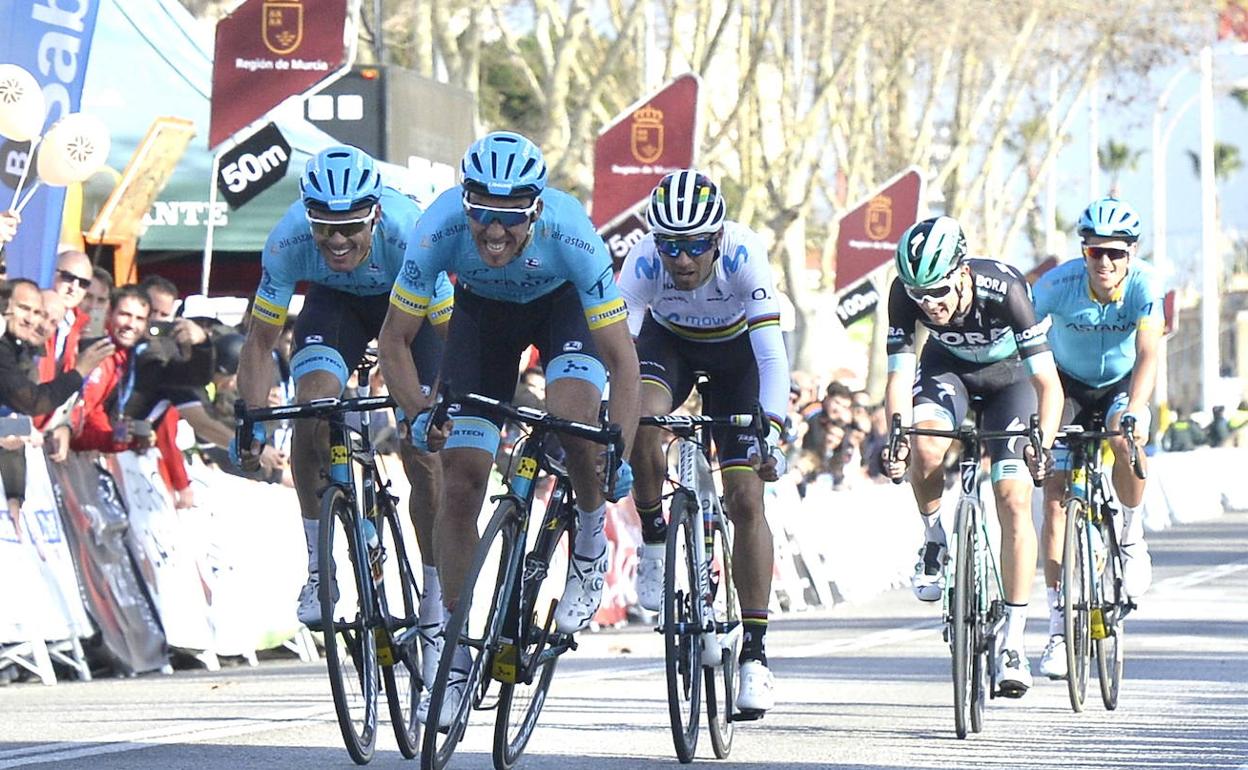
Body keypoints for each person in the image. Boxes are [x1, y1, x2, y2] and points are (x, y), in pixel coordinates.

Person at [378, 130, 640, 722]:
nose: (494, 234)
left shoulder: (573, 234)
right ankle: (452, 648)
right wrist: (417, 411)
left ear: (537, 210)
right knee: (463, 478)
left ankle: (590, 542)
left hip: (562, 309)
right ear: (465, 204)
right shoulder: (439, 227)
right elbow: (395, 338)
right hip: (482, 321)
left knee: (575, 424)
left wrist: (616, 450)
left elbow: (623, 362)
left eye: (511, 219)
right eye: (482, 217)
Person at [233, 145, 454, 670]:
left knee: (421, 443)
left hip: (410, 312)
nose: (335, 240)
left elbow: (449, 340)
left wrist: (432, 407)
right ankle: (319, 566)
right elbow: (260, 343)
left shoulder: (409, 232)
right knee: (312, 407)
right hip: (336, 310)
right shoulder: (288, 239)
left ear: (374, 214)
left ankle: (435, 597)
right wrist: (250, 421)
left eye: (350, 227)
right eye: (324, 226)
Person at [617, 170, 789, 713]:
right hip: (670, 347)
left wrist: (775, 430)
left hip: (740, 358)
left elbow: (770, 357)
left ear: (716, 239)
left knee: (745, 499)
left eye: (694, 246)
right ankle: (653, 534)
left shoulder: (745, 255)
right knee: (641, 422)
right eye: (671, 245)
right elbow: (618, 350)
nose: (683, 260)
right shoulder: (644, 261)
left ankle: (756, 655)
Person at [880, 216, 1062, 697]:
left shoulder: (1004, 289)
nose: (929, 304)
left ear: (962, 272)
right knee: (923, 444)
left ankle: (1014, 643)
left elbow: (1048, 383)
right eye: (919, 295)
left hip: (1011, 383)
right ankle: (935, 538)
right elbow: (898, 377)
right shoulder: (904, 293)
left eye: (937, 291)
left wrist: (1041, 440)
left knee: (1013, 498)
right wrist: (895, 434)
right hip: (948, 374)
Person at [1030, 197, 1161, 680]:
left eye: (1115, 253)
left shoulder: (1146, 285)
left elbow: (1148, 352)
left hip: (1123, 385)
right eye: (1094, 253)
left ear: (1131, 254)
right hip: (1067, 387)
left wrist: (1137, 408)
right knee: (1055, 496)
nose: (1104, 262)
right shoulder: (1057, 285)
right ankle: (1059, 630)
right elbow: (1019, 334)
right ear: (1082, 253)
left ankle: (1129, 535)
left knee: (1126, 441)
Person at [70, 286, 213, 455]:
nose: (131, 324)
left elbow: (196, 378)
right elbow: (79, 413)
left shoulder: (131, 357)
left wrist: (202, 344)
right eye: (125, 315)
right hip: (61, 444)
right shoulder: (93, 350)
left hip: (88, 450)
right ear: (110, 313)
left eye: (139, 318)